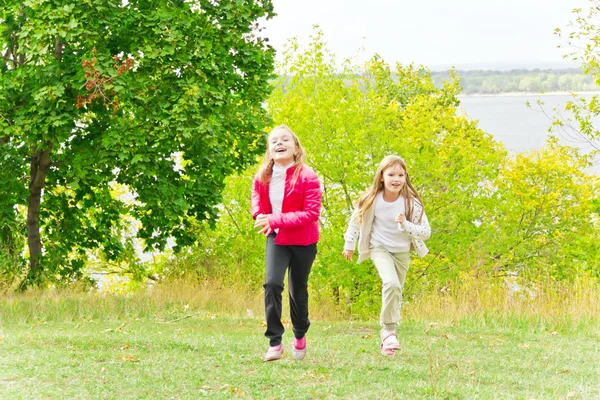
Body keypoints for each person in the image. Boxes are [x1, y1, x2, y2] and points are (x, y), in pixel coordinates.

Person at [342, 155, 431, 356]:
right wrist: (349, 245)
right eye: (391, 174)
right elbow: (355, 223)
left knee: (396, 290)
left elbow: (426, 232)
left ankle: (387, 341)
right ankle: (389, 331)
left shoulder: (411, 203)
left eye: (401, 174)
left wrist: (406, 225)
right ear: (382, 176)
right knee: (391, 284)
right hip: (379, 248)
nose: (396, 179)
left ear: (406, 177)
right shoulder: (371, 199)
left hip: (402, 252)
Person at [251, 124, 322, 362]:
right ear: (269, 151)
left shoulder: (308, 175)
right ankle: (275, 341)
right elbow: (256, 199)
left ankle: (300, 334)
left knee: (297, 290)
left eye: (285, 140)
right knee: (271, 284)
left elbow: (311, 213)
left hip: (303, 240)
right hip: (277, 237)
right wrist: (259, 215)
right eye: (274, 141)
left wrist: (275, 218)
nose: (279, 144)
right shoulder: (263, 175)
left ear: (296, 148)